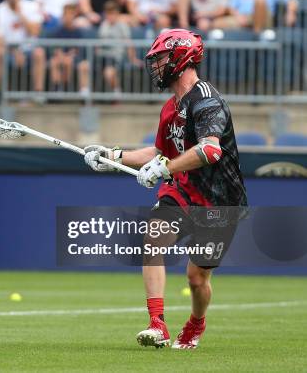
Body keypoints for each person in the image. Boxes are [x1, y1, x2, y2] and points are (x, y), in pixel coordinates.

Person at [83, 29, 247, 349]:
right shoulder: (170, 107)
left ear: (181, 59)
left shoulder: (207, 101)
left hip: (219, 201)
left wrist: (166, 167)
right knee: (153, 239)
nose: (155, 66)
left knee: (197, 279)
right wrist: (112, 155)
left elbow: (210, 151)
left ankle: (196, 323)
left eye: (160, 59)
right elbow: (160, 152)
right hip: (182, 191)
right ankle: (157, 324)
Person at [0, 0, 46, 95]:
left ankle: (38, 94)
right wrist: (14, 51)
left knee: (39, 53)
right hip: (9, 49)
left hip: (28, 49)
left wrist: (20, 14)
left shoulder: (31, 6)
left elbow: (35, 32)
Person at [97, 0, 142, 95]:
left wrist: (133, 59)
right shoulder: (103, 25)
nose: (110, 16)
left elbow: (129, 43)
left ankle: (117, 93)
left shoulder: (123, 26)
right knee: (85, 66)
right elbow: (98, 43)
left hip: (115, 57)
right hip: (101, 57)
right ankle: (87, 99)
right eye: (108, 13)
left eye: (112, 13)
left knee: (109, 72)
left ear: (117, 14)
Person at [47, 4, 90, 94]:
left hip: (74, 58)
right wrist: (60, 54)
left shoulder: (78, 32)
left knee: (70, 61)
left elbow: (78, 49)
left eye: (71, 14)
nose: (68, 17)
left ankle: (69, 87)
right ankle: (57, 89)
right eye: (66, 14)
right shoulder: (57, 31)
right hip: (60, 57)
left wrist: (69, 55)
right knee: (54, 61)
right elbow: (54, 48)